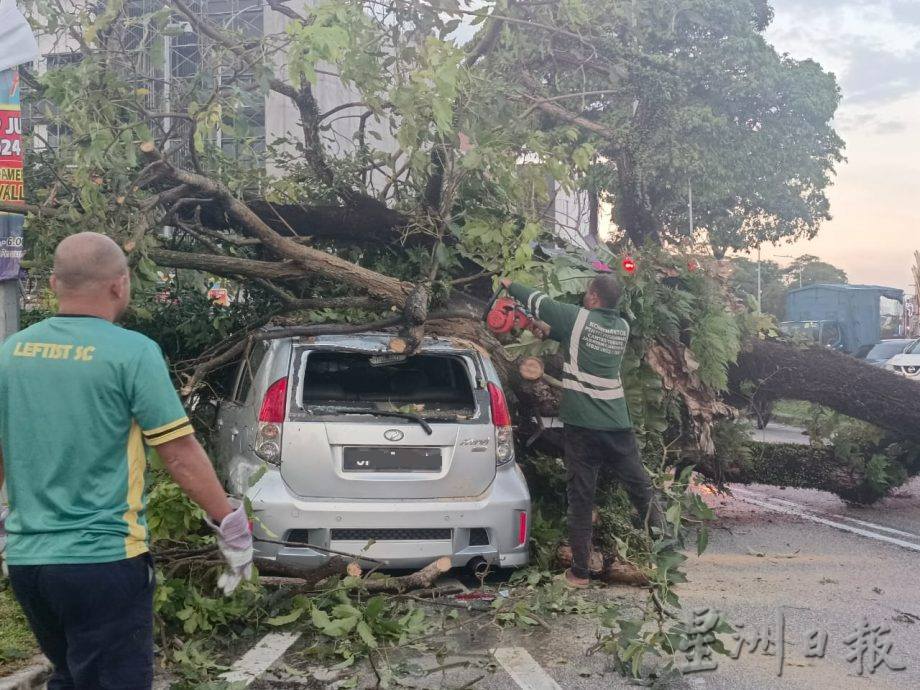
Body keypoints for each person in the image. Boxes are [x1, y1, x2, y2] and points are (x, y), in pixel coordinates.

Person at [0, 232, 253, 689]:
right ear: (120, 285)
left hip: (28, 564)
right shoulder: (132, 353)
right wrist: (229, 524)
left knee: (71, 676)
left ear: (55, 283)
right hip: (103, 559)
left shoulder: (11, 353)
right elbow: (177, 454)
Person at [501, 275, 664, 588]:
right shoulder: (622, 328)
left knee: (581, 496)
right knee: (641, 487)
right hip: (617, 424)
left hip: (583, 425)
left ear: (593, 297)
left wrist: (510, 284)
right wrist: (543, 329)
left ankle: (579, 572)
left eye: (587, 294)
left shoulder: (578, 317)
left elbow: (539, 300)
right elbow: (576, 337)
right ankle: (668, 553)